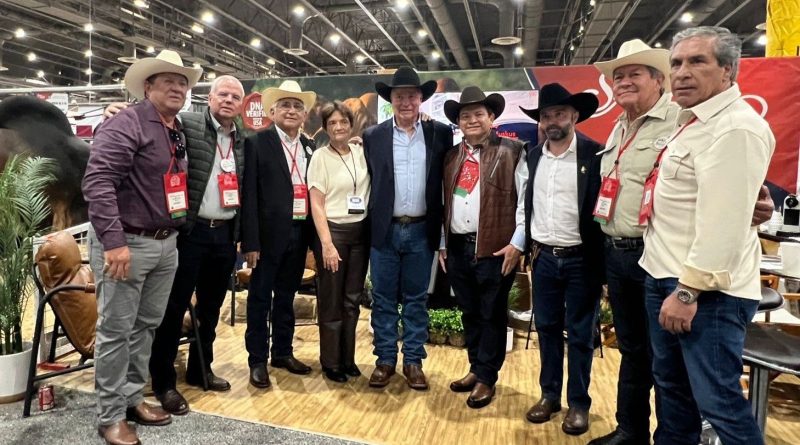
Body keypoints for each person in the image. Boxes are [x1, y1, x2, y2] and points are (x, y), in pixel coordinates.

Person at [589, 39, 776, 445]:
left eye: (635, 74)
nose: (683, 72)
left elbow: (727, 211)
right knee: (655, 369)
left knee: (712, 396)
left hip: (691, 281)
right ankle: (632, 431)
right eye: (618, 76)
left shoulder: (710, 122)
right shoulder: (640, 125)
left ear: (727, 70)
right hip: (642, 261)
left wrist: (689, 290)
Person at [82, 49, 201, 445]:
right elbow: (98, 181)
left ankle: (132, 397)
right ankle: (110, 415)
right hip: (128, 244)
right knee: (116, 330)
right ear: (147, 87)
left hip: (165, 244)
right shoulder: (126, 122)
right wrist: (113, 242)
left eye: (182, 82)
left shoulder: (175, 128)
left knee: (145, 326)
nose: (177, 88)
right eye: (168, 81)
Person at [147, 75, 245, 413]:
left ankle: (200, 368)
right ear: (210, 97)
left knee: (211, 308)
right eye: (223, 94)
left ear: (241, 104)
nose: (228, 100)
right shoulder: (186, 123)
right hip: (191, 233)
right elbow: (153, 119)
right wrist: (115, 112)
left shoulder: (242, 140)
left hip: (224, 235)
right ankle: (163, 382)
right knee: (174, 308)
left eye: (235, 96)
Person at [521, 83, 604, 436]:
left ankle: (579, 403)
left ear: (574, 115)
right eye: (546, 115)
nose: (552, 121)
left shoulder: (595, 155)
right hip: (543, 257)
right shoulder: (533, 156)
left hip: (581, 259)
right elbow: (527, 206)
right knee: (548, 329)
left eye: (559, 113)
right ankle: (550, 395)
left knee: (582, 335)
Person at [363, 67, 453, 390]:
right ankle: (385, 360)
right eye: (399, 96)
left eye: (411, 96)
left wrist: (442, 238)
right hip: (384, 230)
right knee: (383, 298)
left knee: (416, 299)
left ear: (420, 99)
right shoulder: (373, 136)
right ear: (391, 100)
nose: (405, 102)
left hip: (421, 230)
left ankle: (413, 361)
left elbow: (444, 181)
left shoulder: (439, 133)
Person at [438, 86, 527, 408]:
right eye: (465, 116)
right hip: (458, 248)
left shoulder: (513, 151)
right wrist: (443, 244)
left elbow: (524, 201)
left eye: (478, 114)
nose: (472, 120)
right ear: (458, 122)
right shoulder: (452, 157)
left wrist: (517, 244)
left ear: (491, 117)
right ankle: (476, 368)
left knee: (492, 314)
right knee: (470, 312)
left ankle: (487, 377)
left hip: (495, 249)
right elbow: (444, 203)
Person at [241, 80, 317, 388]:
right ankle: (257, 360)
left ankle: (283, 352)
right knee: (260, 298)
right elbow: (248, 195)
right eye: (285, 105)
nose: (291, 110)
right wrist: (250, 241)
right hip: (266, 239)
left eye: (297, 106)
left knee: (287, 296)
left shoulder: (310, 147)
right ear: (272, 112)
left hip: (299, 234)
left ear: (304, 115)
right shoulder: (257, 143)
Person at [308, 101, 370, 383]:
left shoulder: (360, 152)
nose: (338, 127)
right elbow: (316, 204)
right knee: (331, 300)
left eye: (343, 122)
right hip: (333, 233)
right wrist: (327, 244)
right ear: (325, 128)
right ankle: (331, 362)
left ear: (351, 124)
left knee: (352, 300)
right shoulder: (320, 157)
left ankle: (348, 358)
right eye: (332, 123)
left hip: (360, 234)